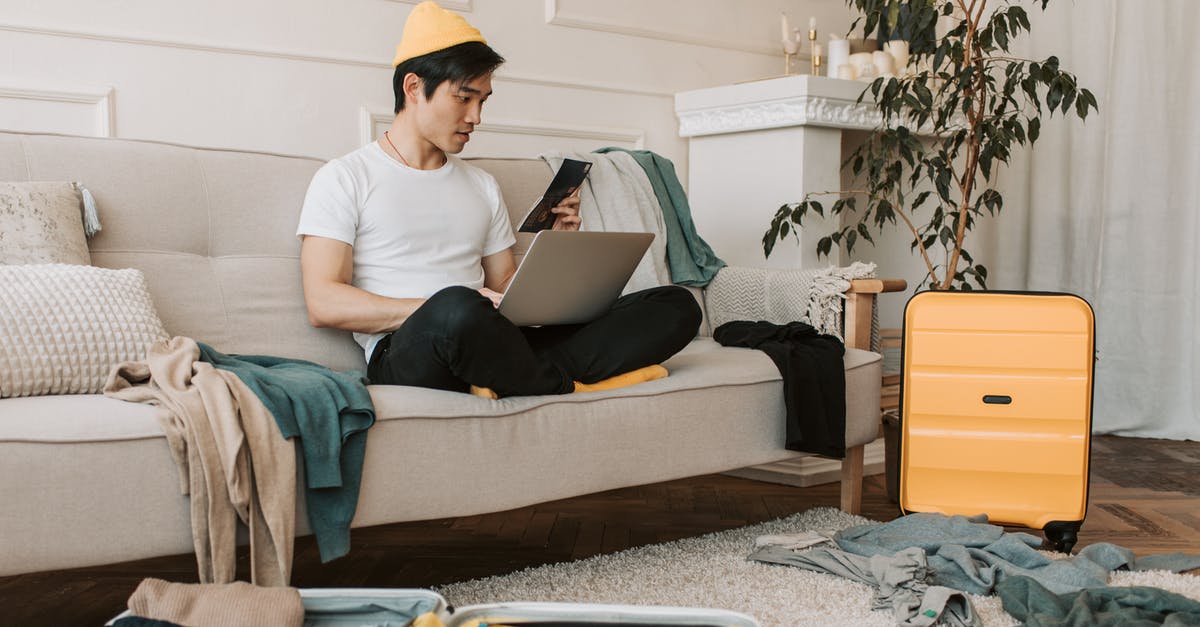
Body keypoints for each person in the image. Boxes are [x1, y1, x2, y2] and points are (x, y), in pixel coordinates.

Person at [296, 0, 700, 398]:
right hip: (411, 349)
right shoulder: (344, 177)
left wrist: (556, 249)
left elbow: (505, 286)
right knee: (455, 307)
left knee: (674, 306)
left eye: (483, 101)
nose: (476, 117)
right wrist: (446, 307)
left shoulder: (481, 185)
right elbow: (324, 302)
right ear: (414, 87)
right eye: (464, 98)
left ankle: (513, 378)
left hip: (498, 340)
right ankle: (559, 383)